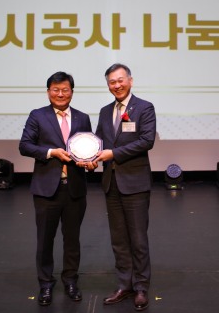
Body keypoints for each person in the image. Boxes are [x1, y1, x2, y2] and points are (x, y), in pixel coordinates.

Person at [18, 71, 97, 306]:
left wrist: (91, 162)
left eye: (65, 90)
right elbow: (25, 146)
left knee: (72, 240)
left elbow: (88, 148)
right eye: (55, 90)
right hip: (46, 189)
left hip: (75, 188)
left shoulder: (82, 118)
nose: (60, 94)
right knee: (45, 240)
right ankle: (45, 284)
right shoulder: (38, 115)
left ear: (72, 92)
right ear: (48, 92)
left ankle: (71, 281)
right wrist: (51, 152)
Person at [91, 63, 157, 311]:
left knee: (138, 239)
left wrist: (113, 154)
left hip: (135, 183)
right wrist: (90, 158)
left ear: (130, 80)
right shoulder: (104, 111)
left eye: (120, 80)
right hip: (111, 182)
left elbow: (146, 141)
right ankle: (124, 284)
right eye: (112, 82)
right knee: (118, 240)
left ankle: (140, 287)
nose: (116, 85)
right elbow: (98, 142)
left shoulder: (144, 108)